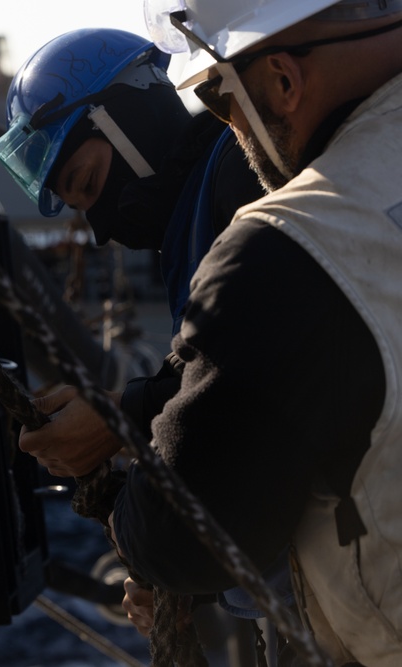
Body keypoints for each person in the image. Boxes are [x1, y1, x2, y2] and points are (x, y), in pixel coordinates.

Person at [20, 1, 402, 664]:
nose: (231, 132)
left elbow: (187, 528)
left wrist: (124, 465)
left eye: (222, 101)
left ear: (282, 80)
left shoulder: (279, 234)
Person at [0, 27, 282, 638]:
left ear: (125, 121)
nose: (98, 229)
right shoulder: (197, 212)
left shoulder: (238, 183)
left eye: (91, 185)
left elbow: (262, 375)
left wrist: (125, 414)